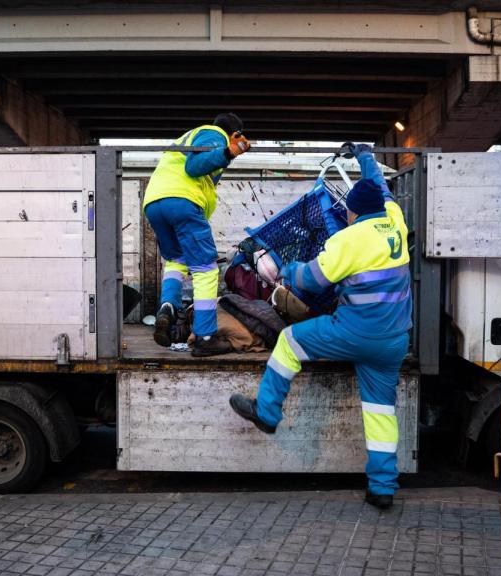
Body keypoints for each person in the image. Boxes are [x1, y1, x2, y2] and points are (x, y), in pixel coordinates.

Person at [228, 142, 411, 510]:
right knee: (380, 413)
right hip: (394, 340)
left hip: (355, 333)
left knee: (289, 341)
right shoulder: (395, 220)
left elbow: (312, 280)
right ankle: (382, 488)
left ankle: (267, 412)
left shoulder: (350, 239)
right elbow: (380, 187)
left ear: (353, 212)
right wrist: (365, 157)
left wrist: (287, 270)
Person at [143, 114, 251, 356]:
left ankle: (167, 309)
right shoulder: (215, 134)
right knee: (205, 269)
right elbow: (194, 167)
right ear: (234, 133)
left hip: (155, 204)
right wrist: (228, 152)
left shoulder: (189, 137)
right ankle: (205, 337)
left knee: (176, 260)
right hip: (182, 202)